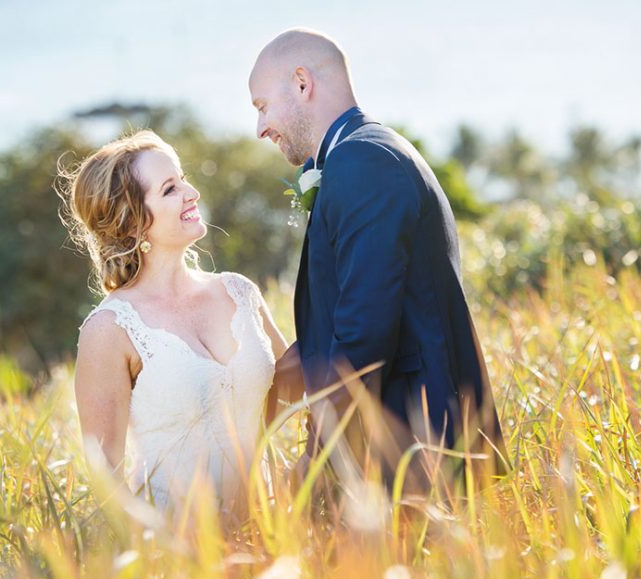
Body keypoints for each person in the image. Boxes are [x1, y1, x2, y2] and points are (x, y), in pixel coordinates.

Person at [249, 29, 510, 490]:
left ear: (302, 83)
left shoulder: (362, 160)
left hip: (414, 451)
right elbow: (349, 316)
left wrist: (316, 462)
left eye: (262, 106)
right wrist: (253, 388)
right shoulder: (364, 153)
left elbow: (362, 336)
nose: (260, 128)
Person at [61, 131, 289, 516]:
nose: (191, 193)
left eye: (183, 178)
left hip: (267, 534)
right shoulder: (109, 329)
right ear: (130, 223)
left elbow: (300, 394)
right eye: (170, 189)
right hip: (174, 550)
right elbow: (105, 477)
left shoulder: (239, 292)